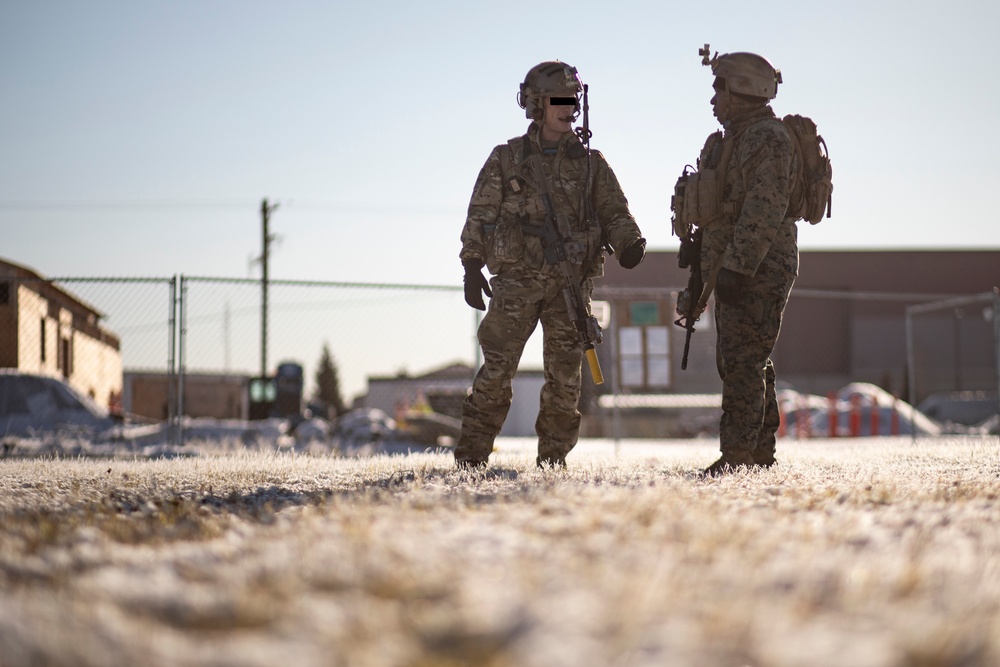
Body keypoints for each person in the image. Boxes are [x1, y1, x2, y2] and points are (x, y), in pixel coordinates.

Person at [456, 60, 645, 469]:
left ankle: (552, 462)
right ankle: (471, 458)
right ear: (537, 104)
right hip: (516, 282)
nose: (568, 107)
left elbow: (615, 211)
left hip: (569, 286)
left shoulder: (592, 163)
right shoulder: (507, 159)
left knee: (565, 381)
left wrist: (629, 243)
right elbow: (481, 214)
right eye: (559, 99)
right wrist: (472, 264)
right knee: (496, 373)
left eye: (573, 99)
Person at [673, 47, 800, 476]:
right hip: (730, 264)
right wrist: (702, 276)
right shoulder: (726, 143)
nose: (713, 100)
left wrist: (739, 266)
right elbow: (715, 217)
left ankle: (739, 456)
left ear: (742, 91)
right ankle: (759, 452)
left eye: (719, 89)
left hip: (759, 266)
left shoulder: (767, 138)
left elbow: (765, 207)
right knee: (742, 358)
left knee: (744, 358)